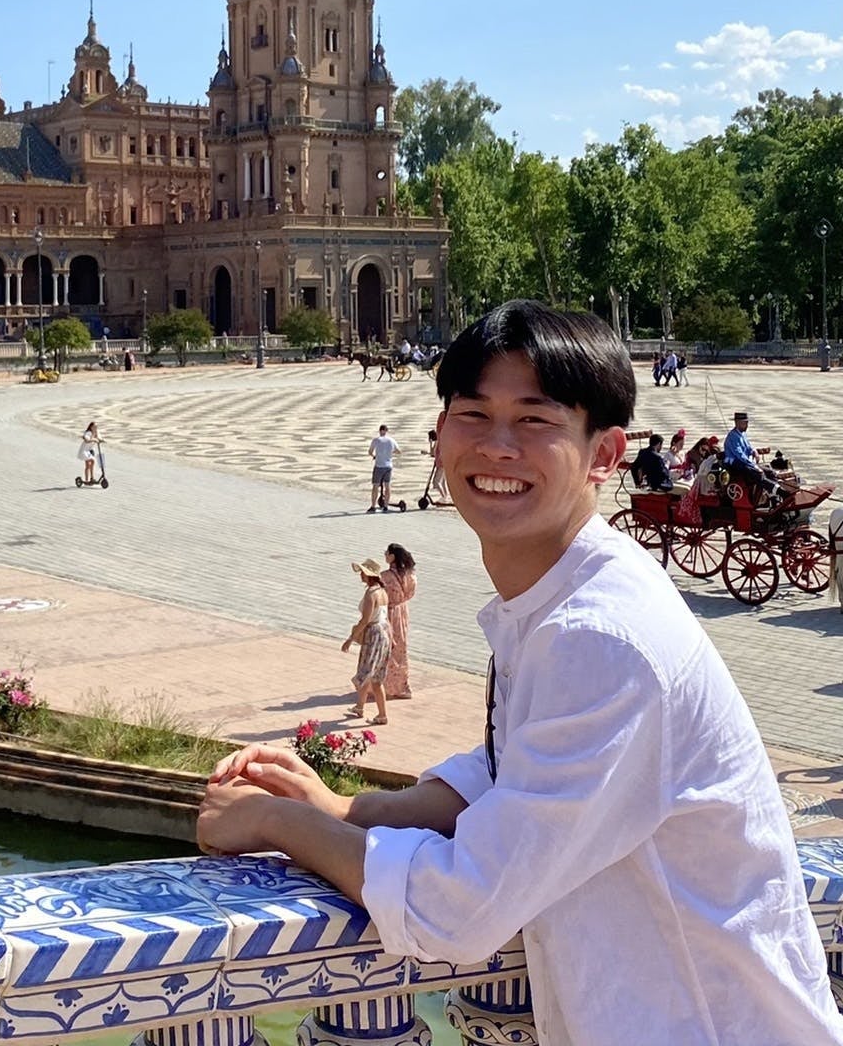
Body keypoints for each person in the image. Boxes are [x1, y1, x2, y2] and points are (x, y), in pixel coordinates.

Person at [197, 299, 840, 1045]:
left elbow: (457, 910)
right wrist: (348, 810)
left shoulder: (601, 636)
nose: (497, 446)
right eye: (473, 414)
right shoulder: (574, 590)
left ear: (605, 454)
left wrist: (281, 822)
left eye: (535, 420)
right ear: (439, 434)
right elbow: (516, 769)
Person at [341, 559, 390, 725]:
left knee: (365, 673)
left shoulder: (371, 594)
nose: (361, 575)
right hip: (384, 632)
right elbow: (385, 617)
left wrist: (350, 639)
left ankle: (379, 714)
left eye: (363, 572)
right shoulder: (382, 592)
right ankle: (362, 707)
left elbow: (365, 620)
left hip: (373, 634)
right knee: (375, 676)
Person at [380, 543, 416, 700]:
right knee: (400, 647)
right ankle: (401, 685)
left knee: (386, 647)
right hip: (402, 611)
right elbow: (411, 593)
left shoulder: (385, 576)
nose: (385, 555)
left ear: (392, 556)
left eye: (386, 553)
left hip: (388, 612)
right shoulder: (410, 576)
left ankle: (384, 686)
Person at [723, 410, 779, 501]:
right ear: (737, 423)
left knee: (770, 472)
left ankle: (773, 496)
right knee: (758, 473)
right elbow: (740, 455)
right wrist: (753, 465)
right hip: (734, 464)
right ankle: (771, 492)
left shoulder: (743, 434)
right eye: (744, 423)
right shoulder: (732, 436)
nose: (747, 425)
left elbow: (748, 447)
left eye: (747, 423)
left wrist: (754, 451)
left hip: (744, 463)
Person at [367, 423, 400, 512]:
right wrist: (390, 452)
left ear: (380, 431)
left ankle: (373, 506)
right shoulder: (391, 440)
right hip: (388, 466)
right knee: (387, 486)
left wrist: (374, 456)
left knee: (375, 486)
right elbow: (398, 451)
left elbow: (370, 451)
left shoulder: (376, 440)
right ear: (386, 431)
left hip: (379, 465)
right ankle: (386, 506)